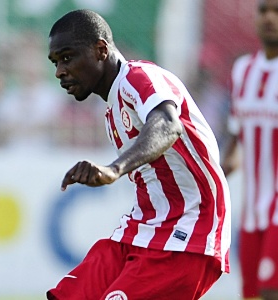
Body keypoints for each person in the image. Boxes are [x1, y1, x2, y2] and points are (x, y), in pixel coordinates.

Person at [46, 9, 231, 300]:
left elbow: (169, 125)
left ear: (100, 49)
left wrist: (114, 169)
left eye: (67, 57)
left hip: (187, 232)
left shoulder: (140, 78)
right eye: (55, 62)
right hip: (141, 231)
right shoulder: (111, 107)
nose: (59, 71)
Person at [221, 1, 278, 299]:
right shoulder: (243, 70)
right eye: (264, 10)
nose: (269, 18)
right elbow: (235, 135)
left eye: (277, 12)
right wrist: (215, 176)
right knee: (252, 293)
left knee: (271, 289)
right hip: (252, 209)